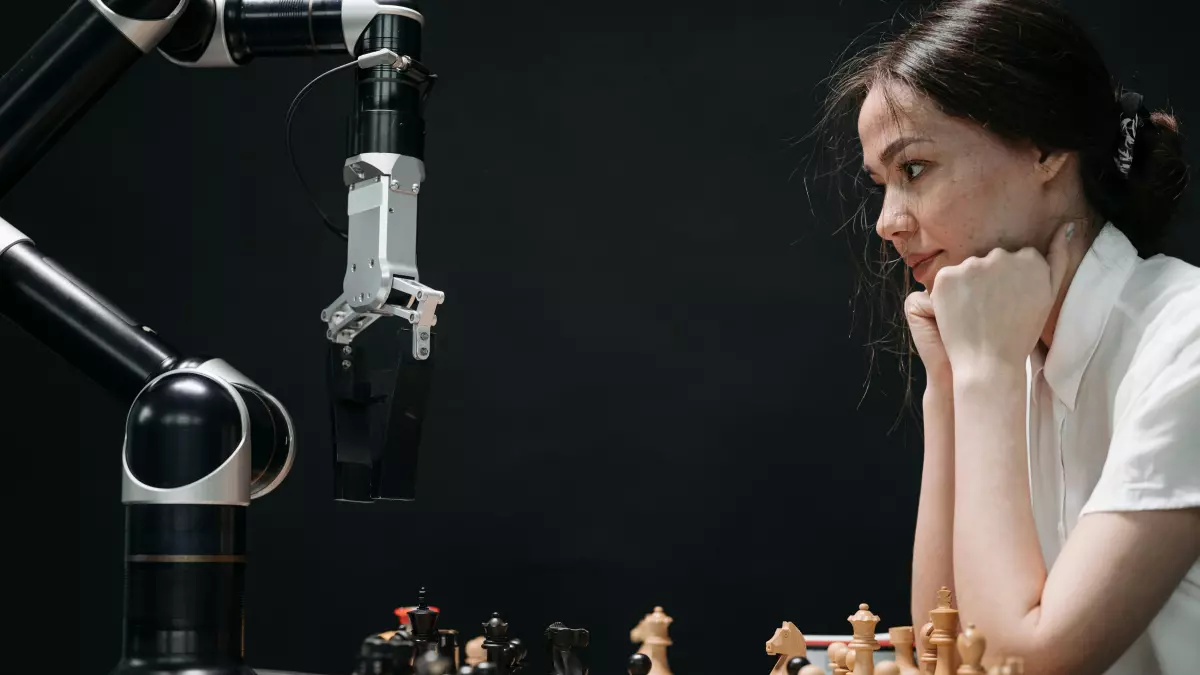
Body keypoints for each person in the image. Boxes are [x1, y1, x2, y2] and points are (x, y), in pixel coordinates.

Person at [820, 1, 1200, 673]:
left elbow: (1024, 664)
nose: (886, 223)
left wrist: (985, 374)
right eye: (880, 185)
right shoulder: (1006, 349)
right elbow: (944, 650)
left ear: (1046, 149)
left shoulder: (1186, 342)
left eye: (913, 170)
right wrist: (948, 384)